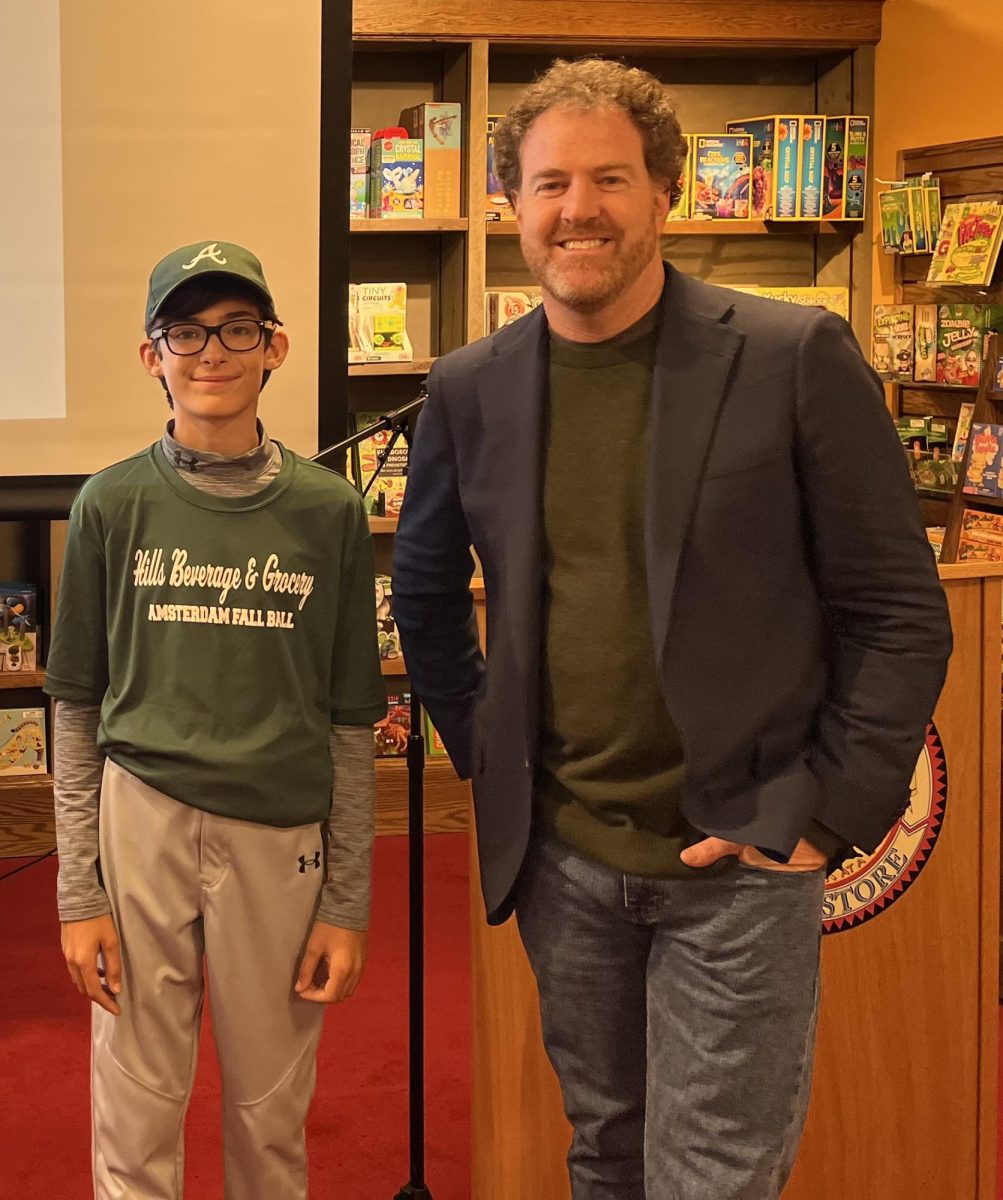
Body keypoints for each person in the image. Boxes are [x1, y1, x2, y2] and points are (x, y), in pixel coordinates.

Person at [391, 59, 952, 1200]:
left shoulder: (794, 357)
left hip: (741, 864)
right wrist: (495, 763)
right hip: (565, 865)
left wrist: (826, 813)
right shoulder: (469, 386)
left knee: (711, 1179)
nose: (577, 209)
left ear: (666, 194)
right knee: (605, 1155)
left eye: (609, 178)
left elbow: (899, 612)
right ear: (511, 206)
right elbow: (425, 593)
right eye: (549, 184)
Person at [46, 240, 386, 1200]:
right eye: (184, 332)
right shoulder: (112, 503)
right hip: (140, 821)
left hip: (279, 834)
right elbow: (75, 707)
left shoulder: (328, 513)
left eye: (237, 328)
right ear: (151, 356)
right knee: (135, 1097)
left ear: (275, 346)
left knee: (268, 1111)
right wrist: (81, 893)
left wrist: (345, 903)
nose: (212, 352)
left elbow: (351, 721)